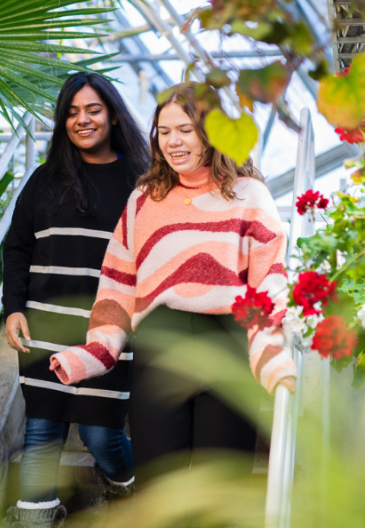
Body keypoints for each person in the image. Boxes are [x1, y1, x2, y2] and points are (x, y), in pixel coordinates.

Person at [48, 82, 298, 505]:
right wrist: (95, 351)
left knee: (219, 489)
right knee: (158, 488)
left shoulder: (250, 196)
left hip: (228, 343)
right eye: (164, 132)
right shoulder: (144, 200)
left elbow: (269, 282)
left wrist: (271, 355)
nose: (173, 142)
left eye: (185, 129)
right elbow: (117, 284)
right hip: (160, 346)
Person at [1, 72, 151, 528]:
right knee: (42, 432)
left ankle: (125, 488)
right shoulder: (45, 180)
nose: (81, 120)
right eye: (71, 112)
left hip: (108, 331)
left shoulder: (141, 182)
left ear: (112, 114)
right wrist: (14, 308)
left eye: (92, 109)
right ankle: (36, 522)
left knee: (101, 434)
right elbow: (17, 246)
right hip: (46, 327)